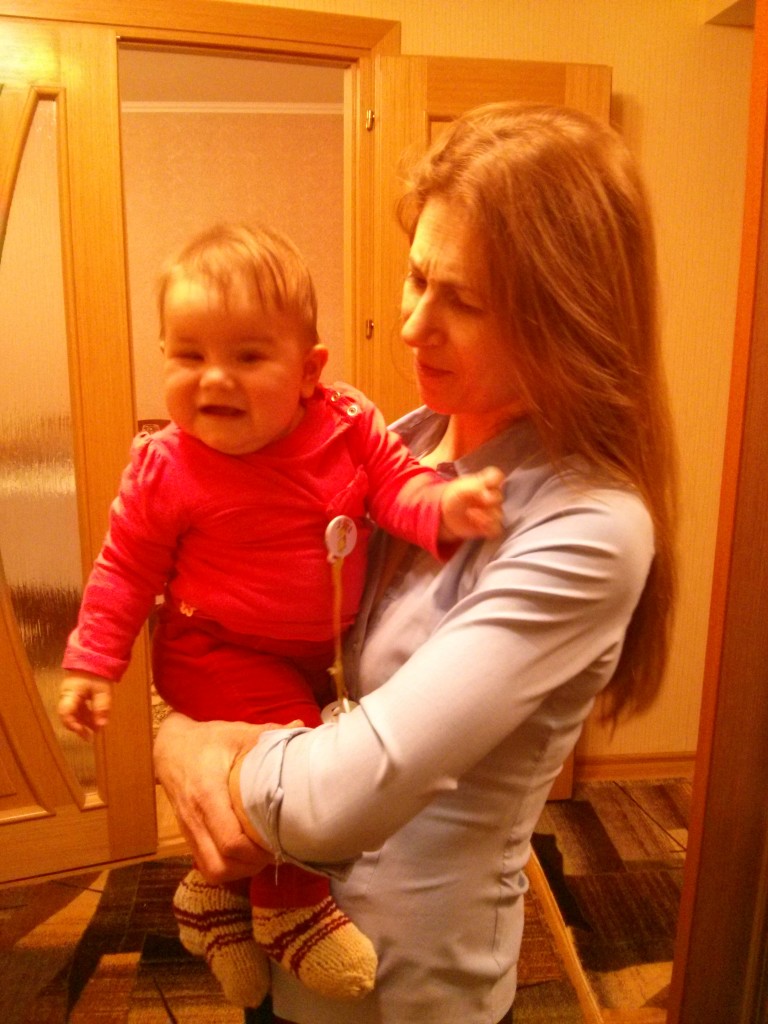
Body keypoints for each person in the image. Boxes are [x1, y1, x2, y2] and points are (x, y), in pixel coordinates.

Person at [153, 102, 677, 1024]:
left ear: (565, 320)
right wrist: (177, 714)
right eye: (417, 276)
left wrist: (186, 745)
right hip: (283, 930)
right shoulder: (402, 440)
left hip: (406, 987)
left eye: (461, 301)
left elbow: (337, 799)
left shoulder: (588, 527)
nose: (411, 326)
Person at [57, 223, 505, 1008]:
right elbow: (125, 568)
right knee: (292, 751)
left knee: (283, 751)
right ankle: (292, 910)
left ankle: (213, 899)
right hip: (215, 649)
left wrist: (445, 507)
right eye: (187, 355)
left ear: (309, 372)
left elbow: (396, 488)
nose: (213, 378)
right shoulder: (166, 466)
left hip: (316, 649)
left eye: (247, 357)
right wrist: (93, 663)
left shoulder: (349, 424)